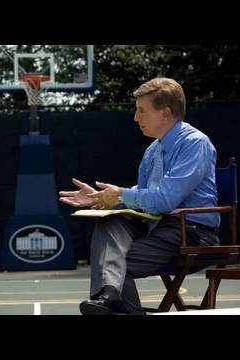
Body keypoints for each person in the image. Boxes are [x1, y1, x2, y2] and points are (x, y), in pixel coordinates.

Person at [59, 77, 219, 315]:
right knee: (108, 222)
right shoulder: (153, 150)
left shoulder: (195, 143)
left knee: (110, 264)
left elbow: (164, 199)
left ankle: (112, 299)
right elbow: (145, 197)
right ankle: (111, 298)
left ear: (165, 113)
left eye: (142, 111)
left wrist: (120, 195)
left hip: (191, 233)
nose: (136, 117)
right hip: (159, 225)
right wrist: (101, 199)